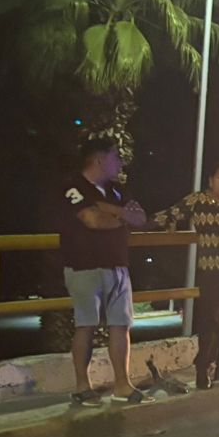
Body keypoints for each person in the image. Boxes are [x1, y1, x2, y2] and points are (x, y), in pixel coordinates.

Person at [59, 137, 151, 406]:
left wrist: (110, 210)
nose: (120, 162)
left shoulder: (116, 190)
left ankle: (122, 385)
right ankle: (82, 387)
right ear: (100, 159)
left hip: (118, 265)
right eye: (115, 157)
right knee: (86, 325)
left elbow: (140, 217)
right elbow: (93, 220)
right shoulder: (73, 187)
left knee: (121, 325)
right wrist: (122, 215)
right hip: (84, 266)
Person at [155, 161, 219, 387]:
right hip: (211, 270)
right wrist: (135, 222)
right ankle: (203, 367)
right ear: (211, 180)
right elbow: (169, 216)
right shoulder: (198, 200)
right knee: (209, 320)